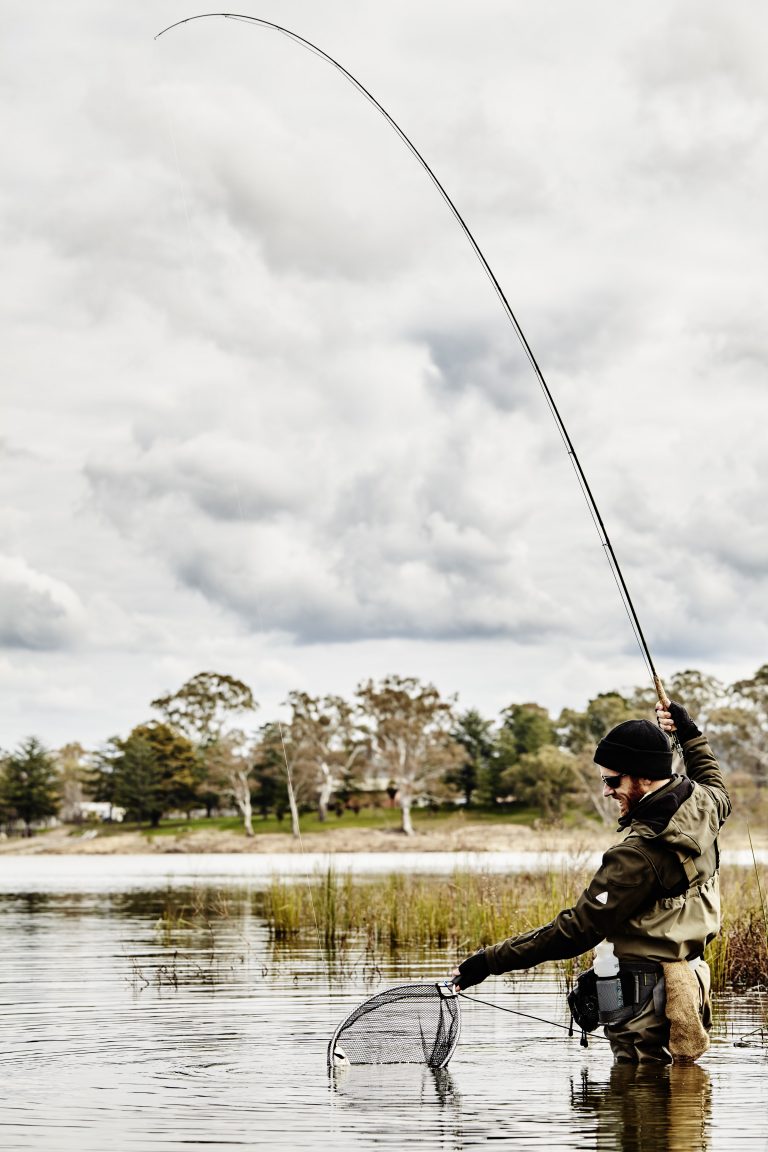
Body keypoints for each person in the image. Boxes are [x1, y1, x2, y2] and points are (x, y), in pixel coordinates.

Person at [451, 699, 731, 1063]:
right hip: (689, 987)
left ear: (645, 777)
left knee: (638, 1102)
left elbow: (576, 931)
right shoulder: (707, 805)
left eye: (613, 781)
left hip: (644, 1011)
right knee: (678, 1100)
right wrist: (688, 732)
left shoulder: (637, 855)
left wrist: (488, 961)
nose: (606, 791)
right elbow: (711, 777)